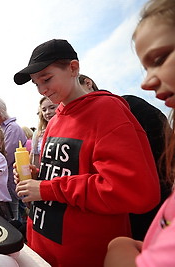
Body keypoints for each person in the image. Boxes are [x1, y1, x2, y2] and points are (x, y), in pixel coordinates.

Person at [13, 39, 160, 266]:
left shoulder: (108, 110)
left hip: (84, 254)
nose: (42, 90)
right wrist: (36, 177)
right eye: (36, 84)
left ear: (73, 68)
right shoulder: (54, 121)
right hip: (40, 248)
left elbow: (132, 191)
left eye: (47, 79)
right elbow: (65, 174)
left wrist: (46, 188)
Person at [105, 0, 175, 265]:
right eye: (145, 68)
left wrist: (119, 248)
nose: (146, 82)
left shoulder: (127, 107)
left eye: (159, 60)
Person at [79, 74, 172, 241]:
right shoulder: (81, 124)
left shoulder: (130, 105)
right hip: (112, 213)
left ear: (88, 83)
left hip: (149, 207)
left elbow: (162, 150)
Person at [0, 97, 27, 222]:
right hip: (3, 185)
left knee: (12, 221)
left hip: (9, 185)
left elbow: (5, 156)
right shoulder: (4, 128)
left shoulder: (12, 128)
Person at [30, 96, 58, 166]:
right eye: (44, 110)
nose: (48, 112)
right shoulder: (37, 134)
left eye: (52, 108)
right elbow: (35, 159)